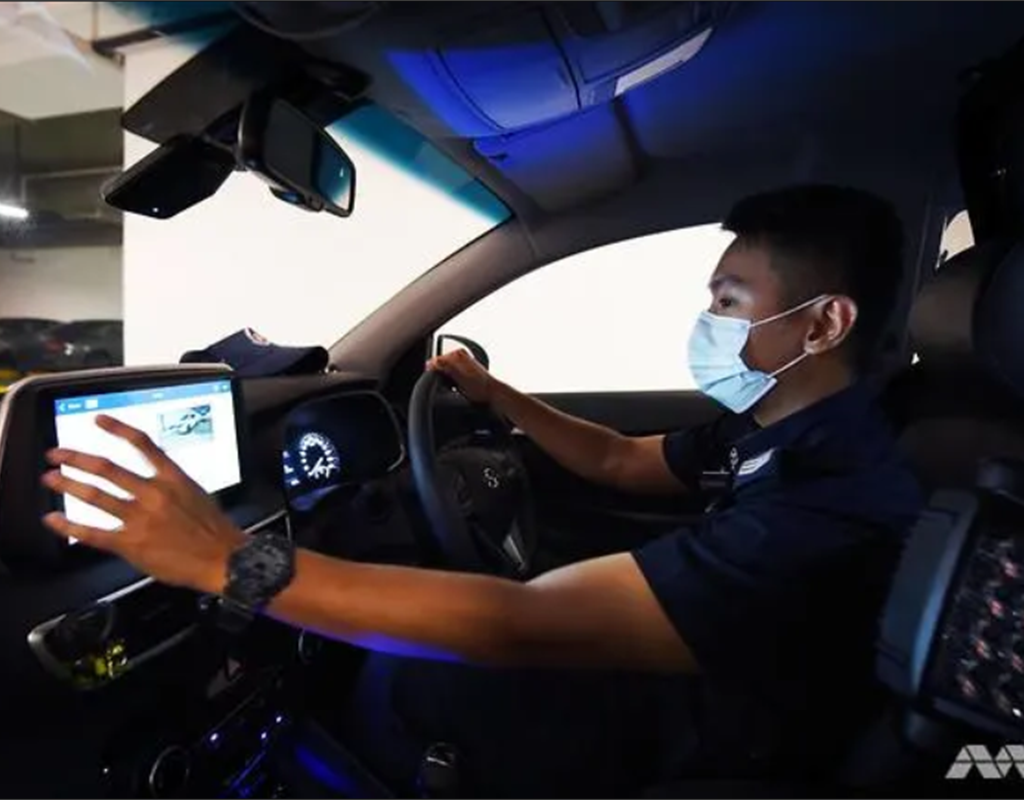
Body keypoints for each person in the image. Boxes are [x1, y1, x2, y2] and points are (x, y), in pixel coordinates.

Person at [40, 184, 923, 795]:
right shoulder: (782, 425)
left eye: (730, 301)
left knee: (396, 681)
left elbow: (517, 622)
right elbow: (620, 461)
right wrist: (497, 396)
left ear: (823, 322)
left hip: (709, 735)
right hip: (705, 683)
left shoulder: (834, 500)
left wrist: (228, 560)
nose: (711, 324)